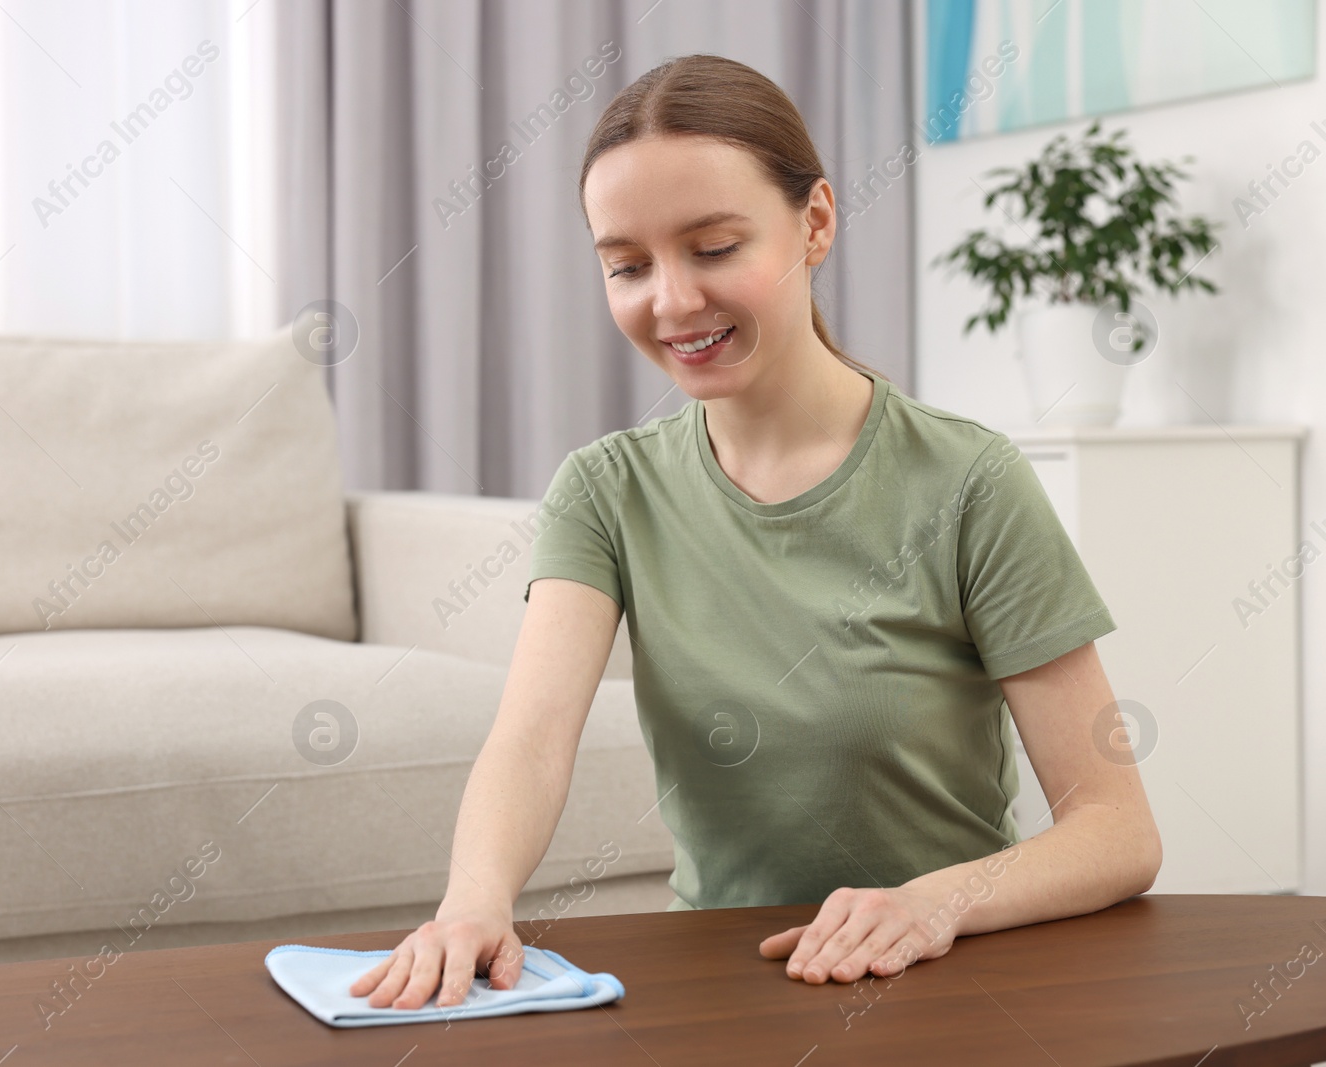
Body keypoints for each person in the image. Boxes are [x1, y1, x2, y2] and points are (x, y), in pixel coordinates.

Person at [351, 53, 1160, 1010]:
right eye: (627, 265)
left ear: (815, 223)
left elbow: (1116, 827)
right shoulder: (606, 491)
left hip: (942, 973)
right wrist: (474, 899)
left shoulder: (969, 481)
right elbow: (530, 738)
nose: (672, 301)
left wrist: (931, 903)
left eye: (714, 247)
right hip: (722, 984)